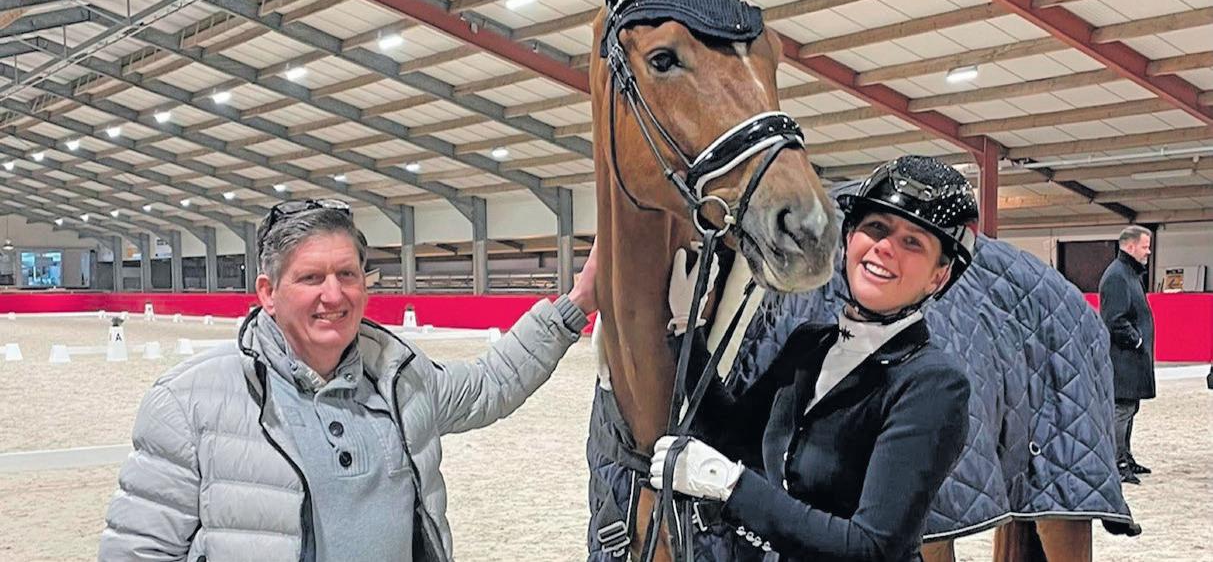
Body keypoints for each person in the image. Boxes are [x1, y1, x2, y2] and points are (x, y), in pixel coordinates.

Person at [99, 199, 597, 561]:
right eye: (311, 278)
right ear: (268, 293)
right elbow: (139, 552)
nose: (333, 295)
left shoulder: (403, 379)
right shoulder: (189, 401)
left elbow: (491, 383)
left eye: (347, 275)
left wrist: (576, 303)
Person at [649, 155, 975, 561]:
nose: (886, 247)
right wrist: (687, 329)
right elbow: (731, 436)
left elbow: (871, 548)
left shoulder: (934, 385)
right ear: (850, 238)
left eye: (913, 242)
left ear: (938, 276)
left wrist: (729, 486)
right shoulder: (809, 345)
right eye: (876, 227)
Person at [1098, 224, 1156, 485]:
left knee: (1130, 408)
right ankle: (1117, 462)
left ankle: (1126, 457)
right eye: (1145, 247)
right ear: (1131, 247)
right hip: (1122, 358)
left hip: (1131, 358)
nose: (1148, 252)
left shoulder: (1129, 274)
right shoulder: (1117, 276)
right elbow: (1115, 319)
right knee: (1121, 409)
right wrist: (1136, 340)